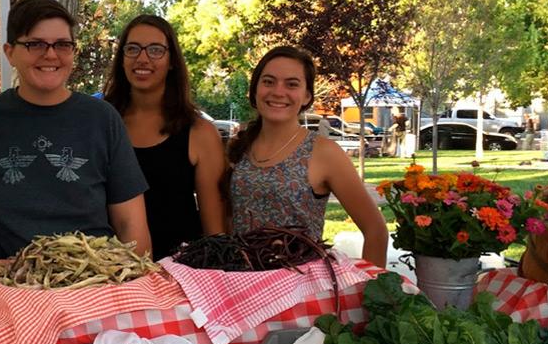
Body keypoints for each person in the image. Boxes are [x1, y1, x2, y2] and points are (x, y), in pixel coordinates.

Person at [0, 0, 151, 259]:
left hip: (89, 281)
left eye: (62, 44)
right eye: (35, 44)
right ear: (9, 53)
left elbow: (131, 224)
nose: (50, 54)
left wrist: (136, 285)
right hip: (3, 282)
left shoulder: (103, 119)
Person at [226, 46, 387, 267]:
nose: (278, 92)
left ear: (306, 96)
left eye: (292, 84)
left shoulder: (324, 153)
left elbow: (375, 229)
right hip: (238, 282)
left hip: (301, 289)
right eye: (268, 81)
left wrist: (372, 292)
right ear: (254, 91)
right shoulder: (238, 146)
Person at [102, 15, 226, 259]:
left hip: (180, 272)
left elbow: (215, 232)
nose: (143, 58)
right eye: (133, 48)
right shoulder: (101, 124)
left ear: (172, 61)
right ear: (122, 59)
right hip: (109, 273)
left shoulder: (200, 132)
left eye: (156, 50)